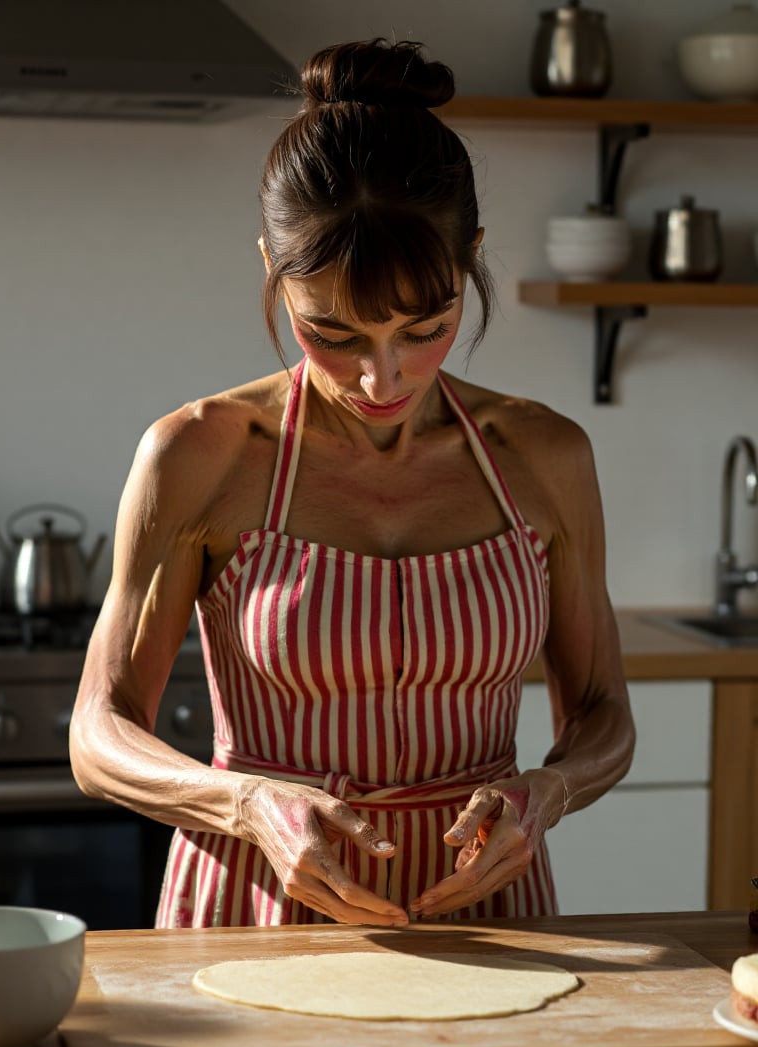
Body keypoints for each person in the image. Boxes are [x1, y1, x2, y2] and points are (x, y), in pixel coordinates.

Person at [69, 38, 635, 929]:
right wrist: (248, 804)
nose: (383, 378)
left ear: (471, 257)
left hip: (489, 918)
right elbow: (98, 736)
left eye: (428, 326)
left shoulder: (545, 457)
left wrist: (548, 792)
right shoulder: (198, 454)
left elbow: (604, 714)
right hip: (257, 907)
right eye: (333, 334)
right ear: (273, 268)